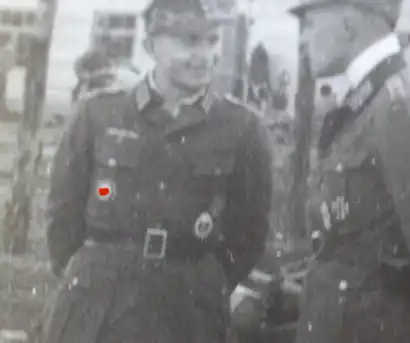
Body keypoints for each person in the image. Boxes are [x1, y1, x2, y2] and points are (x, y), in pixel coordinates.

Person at [37, 0, 273, 341]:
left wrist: (207, 281)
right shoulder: (99, 114)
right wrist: (90, 272)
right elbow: (62, 216)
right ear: (151, 47)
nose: (204, 55)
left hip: (189, 309)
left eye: (211, 41)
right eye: (188, 42)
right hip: (100, 303)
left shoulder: (242, 128)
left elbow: (250, 230)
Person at [290, 1, 410, 343]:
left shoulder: (400, 104)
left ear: (348, 24)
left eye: (309, 23)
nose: (303, 39)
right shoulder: (365, 101)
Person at [72, 35, 113, 102]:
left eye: (106, 46)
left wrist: (106, 74)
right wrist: (85, 74)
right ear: (99, 44)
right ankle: (76, 101)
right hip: (86, 76)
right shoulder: (91, 54)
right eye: (102, 45)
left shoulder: (106, 58)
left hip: (97, 81)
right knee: (83, 87)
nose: (104, 48)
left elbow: (108, 69)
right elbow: (79, 64)